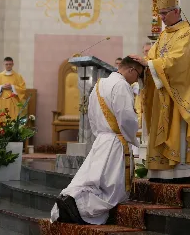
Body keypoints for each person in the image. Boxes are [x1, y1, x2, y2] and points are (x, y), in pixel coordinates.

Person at [131, 0, 190, 183]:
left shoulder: (187, 34)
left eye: (165, 13)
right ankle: (159, 169)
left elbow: (178, 63)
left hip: (178, 95)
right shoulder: (164, 35)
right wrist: (143, 67)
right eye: (160, 13)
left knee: (176, 130)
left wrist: (149, 64)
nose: (162, 18)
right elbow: (155, 60)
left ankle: (179, 170)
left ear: (176, 11)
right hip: (161, 94)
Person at [50, 56, 144, 225]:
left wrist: (101, 134)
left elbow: (91, 117)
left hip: (101, 140)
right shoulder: (121, 85)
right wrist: (134, 140)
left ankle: (71, 201)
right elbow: (127, 118)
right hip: (117, 142)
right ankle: (81, 209)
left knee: (93, 179)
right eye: (138, 74)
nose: (137, 79)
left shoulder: (99, 84)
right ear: (131, 70)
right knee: (113, 189)